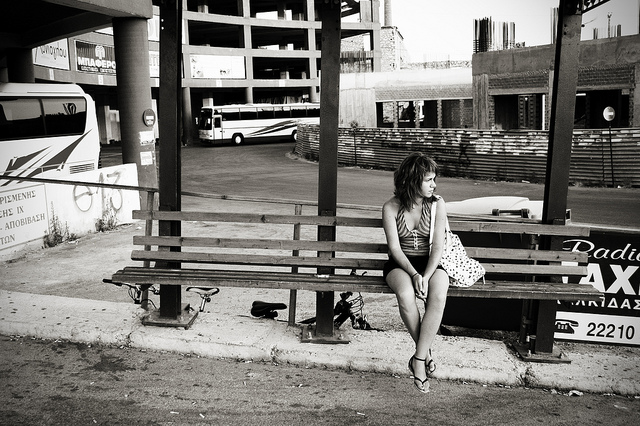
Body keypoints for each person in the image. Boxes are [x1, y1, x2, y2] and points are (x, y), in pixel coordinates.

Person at [382, 152, 449, 393]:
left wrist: (427, 276)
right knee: (406, 294)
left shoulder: (437, 204)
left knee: (439, 295)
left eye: (434, 179)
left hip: (431, 263)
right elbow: (394, 249)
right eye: (429, 180)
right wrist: (413, 274)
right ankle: (426, 354)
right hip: (401, 265)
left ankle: (418, 360)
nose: (434, 185)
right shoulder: (391, 207)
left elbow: (439, 247)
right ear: (413, 180)